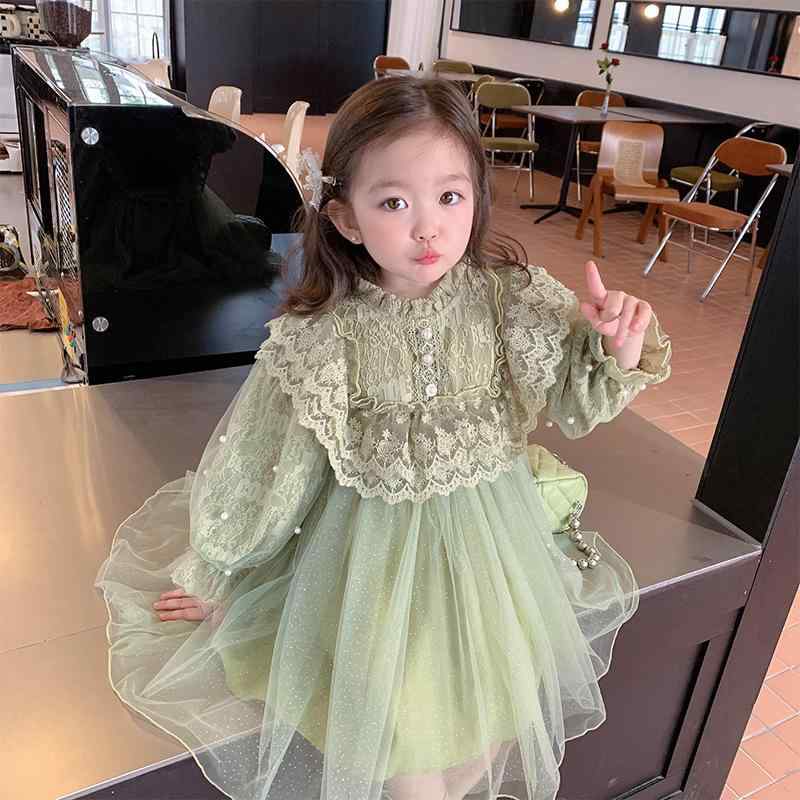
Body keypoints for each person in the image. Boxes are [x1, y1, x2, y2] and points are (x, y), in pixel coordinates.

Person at [95, 76, 671, 800]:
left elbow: (576, 400)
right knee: (401, 745)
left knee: (503, 704)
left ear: (476, 197)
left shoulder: (510, 298)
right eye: (394, 202)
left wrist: (617, 346)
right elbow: (268, 464)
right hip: (366, 564)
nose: (428, 228)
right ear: (345, 218)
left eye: (450, 197)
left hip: (492, 552)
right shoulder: (323, 335)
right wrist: (224, 575)